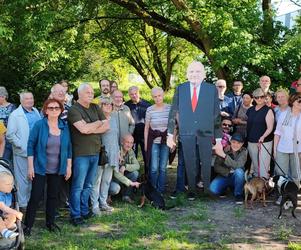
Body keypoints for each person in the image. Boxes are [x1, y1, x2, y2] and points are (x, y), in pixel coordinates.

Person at [167, 61, 222, 201]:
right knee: (189, 161)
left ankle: (207, 189)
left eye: (198, 71)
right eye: (191, 71)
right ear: (187, 74)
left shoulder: (211, 89)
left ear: (204, 74)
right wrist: (170, 135)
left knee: (206, 160)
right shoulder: (181, 88)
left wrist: (219, 139)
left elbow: (216, 115)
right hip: (186, 132)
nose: (194, 74)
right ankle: (191, 190)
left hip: (206, 132)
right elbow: (173, 111)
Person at [23, 99, 72, 235]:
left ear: (61, 110)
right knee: (36, 197)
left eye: (57, 108)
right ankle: (28, 226)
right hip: (40, 168)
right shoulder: (40, 125)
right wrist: (30, 167)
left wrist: (68, 167)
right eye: (50, 108)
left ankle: (50, 223)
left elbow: (68, 148)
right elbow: (30, 146)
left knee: (52, 197)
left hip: (57, 169)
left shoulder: (64, 126)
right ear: (45, 110)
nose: (54, 110)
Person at [67, 83, 109, 226]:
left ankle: (85, 211)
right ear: (79, 94)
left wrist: (90, 127)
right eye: (88, 92)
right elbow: (82, 129)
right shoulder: (74, 109)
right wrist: (97, 123)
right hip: (81, 153)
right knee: (78, 185)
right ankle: (75, 214)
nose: (91, 95)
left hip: (95, 152)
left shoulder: (95, 107)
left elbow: (106, 126)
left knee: (89, 185)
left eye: (92, 92)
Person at [6, 92, 41, 210]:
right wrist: (21, 145)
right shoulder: (15, 115)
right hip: (23, 152)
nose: (30, 100)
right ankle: (23, 206)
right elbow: (10, 135)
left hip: (36, 152)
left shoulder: (36, 111)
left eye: (31, 98)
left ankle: (31, 204)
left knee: (33, 178)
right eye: (27, 99)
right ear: (21, 101)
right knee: (22, 180)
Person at [91, 97, 119, 215]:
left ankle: (103, 203)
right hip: (101, 154)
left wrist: (118, 152)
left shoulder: (113, 119)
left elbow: (116, 137)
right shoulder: (97, 119)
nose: (108, 106)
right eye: (105, 104)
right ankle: (94, 205)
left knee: (106, 180)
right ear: (100, 106)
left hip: (113, 153)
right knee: (96, 181)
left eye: (110, 104)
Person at [144, 87, 171, 193]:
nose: (157, 98)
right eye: (155, 97)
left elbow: (173, 126)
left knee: (163, 168)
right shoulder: (150, 109)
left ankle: (161, 190)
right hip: (154, 141)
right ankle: (153, 189)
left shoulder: (169, 108)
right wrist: (146, 144)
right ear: (152, 97)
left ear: (163, 95)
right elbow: (146, 128)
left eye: (159, 96)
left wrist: (173, 141)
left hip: (166, 141)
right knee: (154, 168)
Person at [209, 133, 247, 204]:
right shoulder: (224, 150)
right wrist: (228, 172)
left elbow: (238, 165)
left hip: (236, 176)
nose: (236, 145)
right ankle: (224, 188)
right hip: (225, 175)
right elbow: (216, 166)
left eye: (239, 143)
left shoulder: (244, 152)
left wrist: (224, 156)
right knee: (213, 189)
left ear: (242, 144)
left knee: (239, 171)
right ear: (230, 141)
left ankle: (238, 194)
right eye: (234, 142)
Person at [246, 88, 275, 178]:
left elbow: (270, 128)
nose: (259, 99)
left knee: (263, 166)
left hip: (264, 141)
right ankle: (256, 187)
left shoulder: (268, 110)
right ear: (253, 98)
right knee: (255, 165)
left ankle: (263, 187)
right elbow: (250, 124)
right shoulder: (250, 110)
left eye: (261, 97)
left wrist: (263, 137)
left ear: (265, 97)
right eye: (256, 97)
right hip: (251, 140)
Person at [274, 93, 301, 184]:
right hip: (282, 149)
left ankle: (294, 194)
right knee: (281, 173)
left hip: (298, 150)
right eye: (299, 101)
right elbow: (277, 133)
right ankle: (282, 195)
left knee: (296, 174)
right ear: (293, 101)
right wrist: (274, 150)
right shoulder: (283, 114)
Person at [125, 86, 151, 170]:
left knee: (147, 156)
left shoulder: (147, 105)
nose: (134, 95)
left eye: (135, 93)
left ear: (139, 93)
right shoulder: (126, 106)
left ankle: (148, 176)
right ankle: (133, 177)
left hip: (145, 135)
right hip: (132, 135)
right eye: (131, 94)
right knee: (132, 157)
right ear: (129, 95)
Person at [109, 134, 140, 203]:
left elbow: (137, 166)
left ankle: (126, 196)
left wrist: (125, 167)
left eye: (131, 143)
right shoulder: (117, 151)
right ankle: (107, 196)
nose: (129, 145)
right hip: (113, 179)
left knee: (135, 173)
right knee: (115, 188)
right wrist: (130, 183)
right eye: (127, 142)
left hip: (122, 176)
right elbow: (115, 174)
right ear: (122, 142)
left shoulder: (130, 151)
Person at [0, 171, 23, 239]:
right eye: (7, 184)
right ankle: (4, 231)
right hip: (2, 213)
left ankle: (4, 228)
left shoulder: (9, 193)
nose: (11, 186)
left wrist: (14, 214)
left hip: (4, 214)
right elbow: (3, 207)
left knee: (13, 216)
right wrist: (16, 212)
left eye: (11, 184)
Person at [0, 87, 16, 160]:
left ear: (4, 96)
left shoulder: (12, 107)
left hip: (8, 138)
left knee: (5, 160)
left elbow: (15, 122)